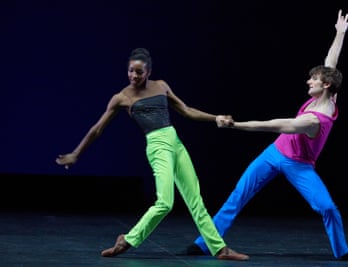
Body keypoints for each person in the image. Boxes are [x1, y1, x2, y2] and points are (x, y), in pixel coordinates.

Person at [186, 9, 348, 262]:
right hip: (275, 153)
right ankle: (204, 242)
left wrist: (236, 125)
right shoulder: (330, 92)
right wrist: (340, 32)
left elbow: (272, 124)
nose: (308, 81)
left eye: (313, 79)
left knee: (327, 207)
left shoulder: (315, 119)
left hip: (299, 165)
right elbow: (330, 61)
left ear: (325, 86)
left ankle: (342, 251)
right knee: (238, 195)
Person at [55, 48, 249, 261]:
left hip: (175, 143)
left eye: (139, 72)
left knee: (195, 200)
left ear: (148, 72)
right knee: (165, 202)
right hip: (157, 146)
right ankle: (128, 240)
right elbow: (97, 129)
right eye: (130, 71)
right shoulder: (122, 98)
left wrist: (216, 118)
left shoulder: (161, 86)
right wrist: (76, 153)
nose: (134, 76)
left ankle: (220, 249)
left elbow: (186, 110)